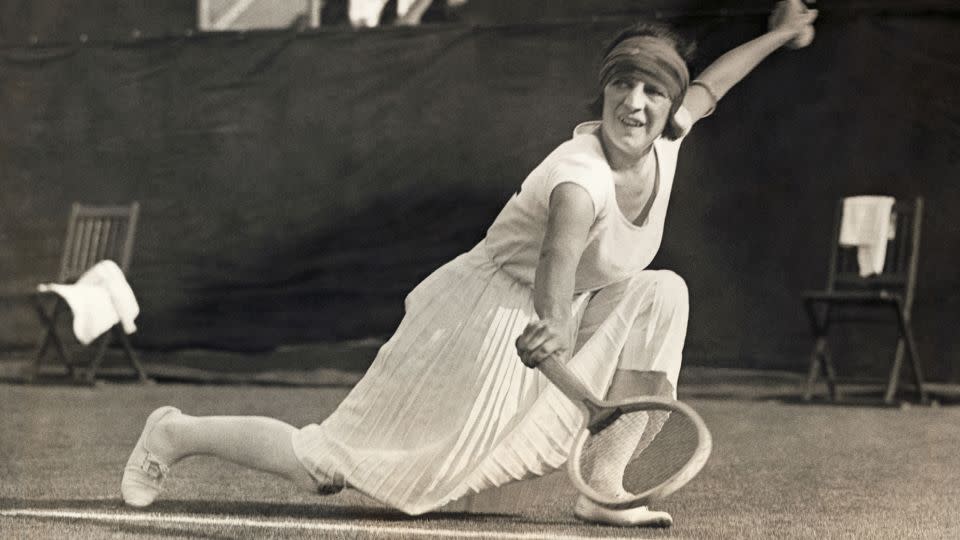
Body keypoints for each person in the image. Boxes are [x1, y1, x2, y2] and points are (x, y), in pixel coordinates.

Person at [121, 1, 817, 527]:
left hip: (563, 309)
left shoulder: (668, 137)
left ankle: (605, 487)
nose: (635, 103)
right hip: (478, 319)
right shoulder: (578, 177)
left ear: (666, 106)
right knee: (329, 468)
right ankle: (175, 432)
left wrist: (782, 33)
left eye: (653, 92)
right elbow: (557, 260)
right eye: (623, 86)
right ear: (604, 91)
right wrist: (554, 329)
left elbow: (712, 88)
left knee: (664, 291)